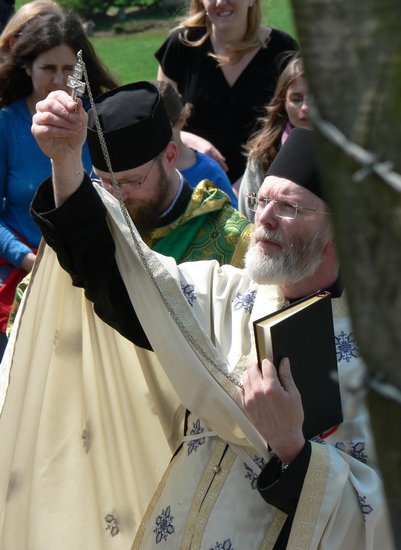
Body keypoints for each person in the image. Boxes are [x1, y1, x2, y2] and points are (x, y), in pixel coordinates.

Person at [14, 96, 390, 548]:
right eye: (261, 199)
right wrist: (68, 162)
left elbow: (379, 515)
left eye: (288, 208)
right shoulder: (224, 294)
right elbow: (117, 277)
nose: (263, 219)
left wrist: (293, 449)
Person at [0, 9, 119, 357]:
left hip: (93, 268)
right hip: (25, 272)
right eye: (48, 69)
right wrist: (27, 258)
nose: (58, 79)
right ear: (26, 68)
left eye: (68, 69)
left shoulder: (98, 121)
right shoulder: (6, 126)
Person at [155, 0, 298, 184]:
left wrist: (249, 183)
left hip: (262, 182)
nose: (221, 2)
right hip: (192, 182)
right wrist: (194, 143)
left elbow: (294, 127)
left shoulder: (283, 49)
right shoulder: (181, 45)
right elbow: (161, 122)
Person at [238, 51, 312, 221]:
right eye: (296, 99)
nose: (306, 108)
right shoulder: (263, 154)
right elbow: (247, 217)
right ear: (283, 103)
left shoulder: (347, 153)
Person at [154, 79, 239, 209]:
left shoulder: (209, 172)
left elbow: (235, 223)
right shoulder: (140, 171)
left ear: (181, 121)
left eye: (161, 129)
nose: (152, 139)